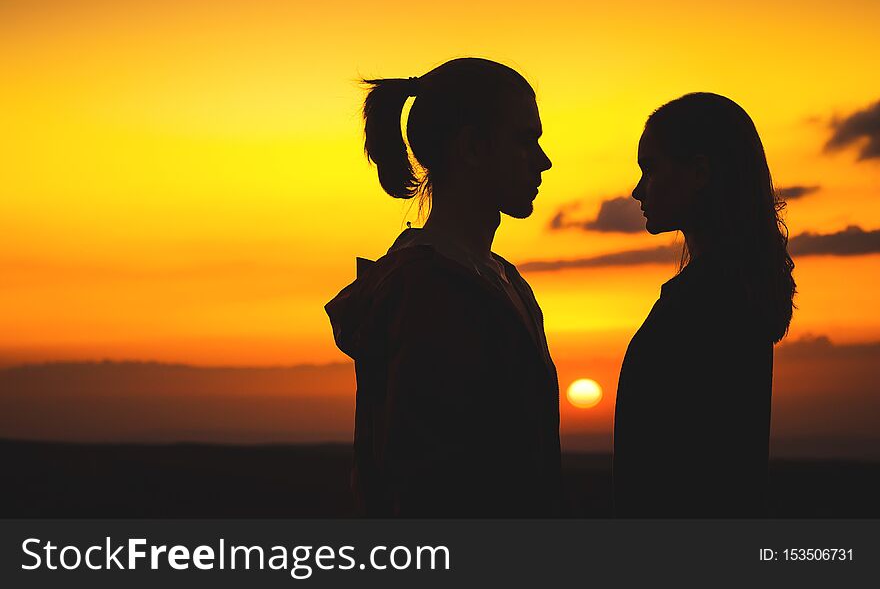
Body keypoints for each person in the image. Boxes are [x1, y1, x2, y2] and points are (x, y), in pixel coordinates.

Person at [325, 58, 561, 517]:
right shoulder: (426, 291)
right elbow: (423, 488)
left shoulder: (504, 280)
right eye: (524, 140)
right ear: (472, 147)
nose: (543, 160)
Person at [613, 92, 797, 517]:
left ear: (699, 172)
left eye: (651, 168)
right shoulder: (732, 297)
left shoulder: (703, 309)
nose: (638, 190)